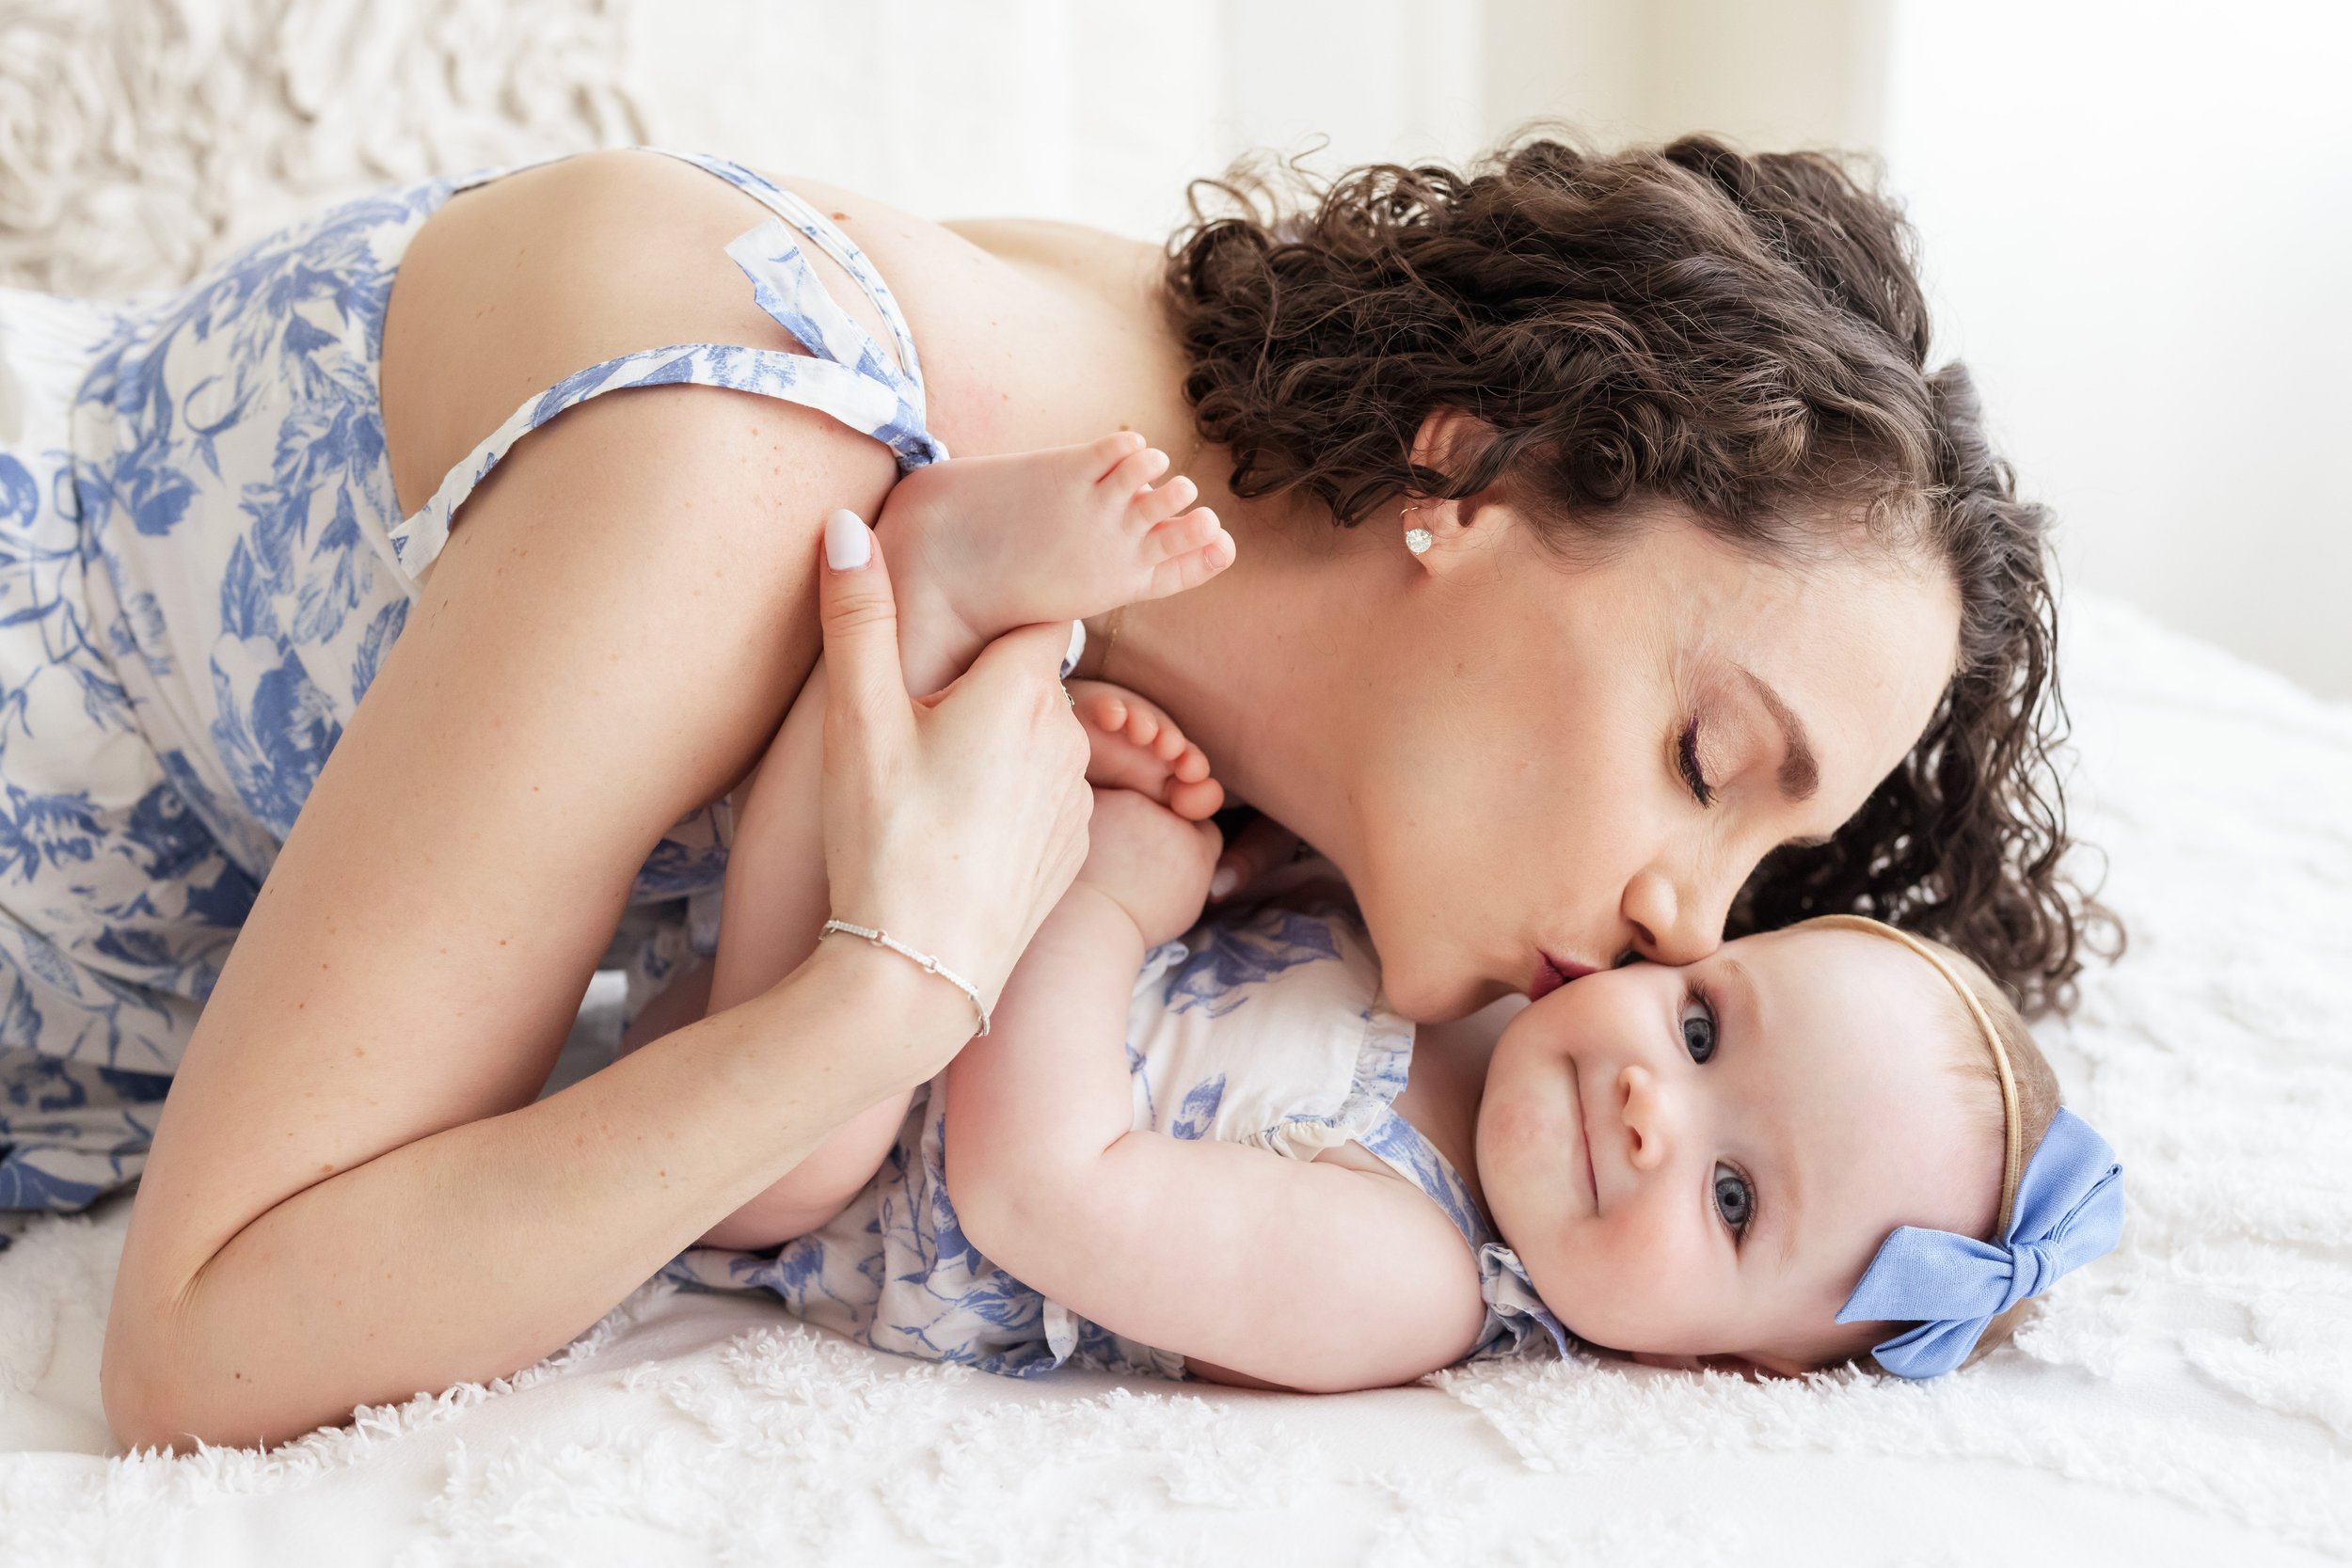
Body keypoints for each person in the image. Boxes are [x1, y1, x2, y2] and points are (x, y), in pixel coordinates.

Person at [0, 133, 2099, 1448]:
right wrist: (874, 998)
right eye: (1701, 763)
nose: (1679, 924)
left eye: (1766, 870)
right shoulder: (759, 452)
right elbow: (193, 1355)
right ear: (1469, 478)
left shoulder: (1220, 686)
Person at [669, 423, 2124, 1386]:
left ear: (1723, 1361)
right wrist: (1214, 850)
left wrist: (1103, 898)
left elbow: (1038, 1184)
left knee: (797, 1149)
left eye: (1731, 1199)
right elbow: (1278, 950)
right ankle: (934, 608)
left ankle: (934, 577)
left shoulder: (1400, 1277)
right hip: (944, 937)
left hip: (824, 1156)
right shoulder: (1498, 993)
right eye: (1698, 1027)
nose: (1646, 1107)